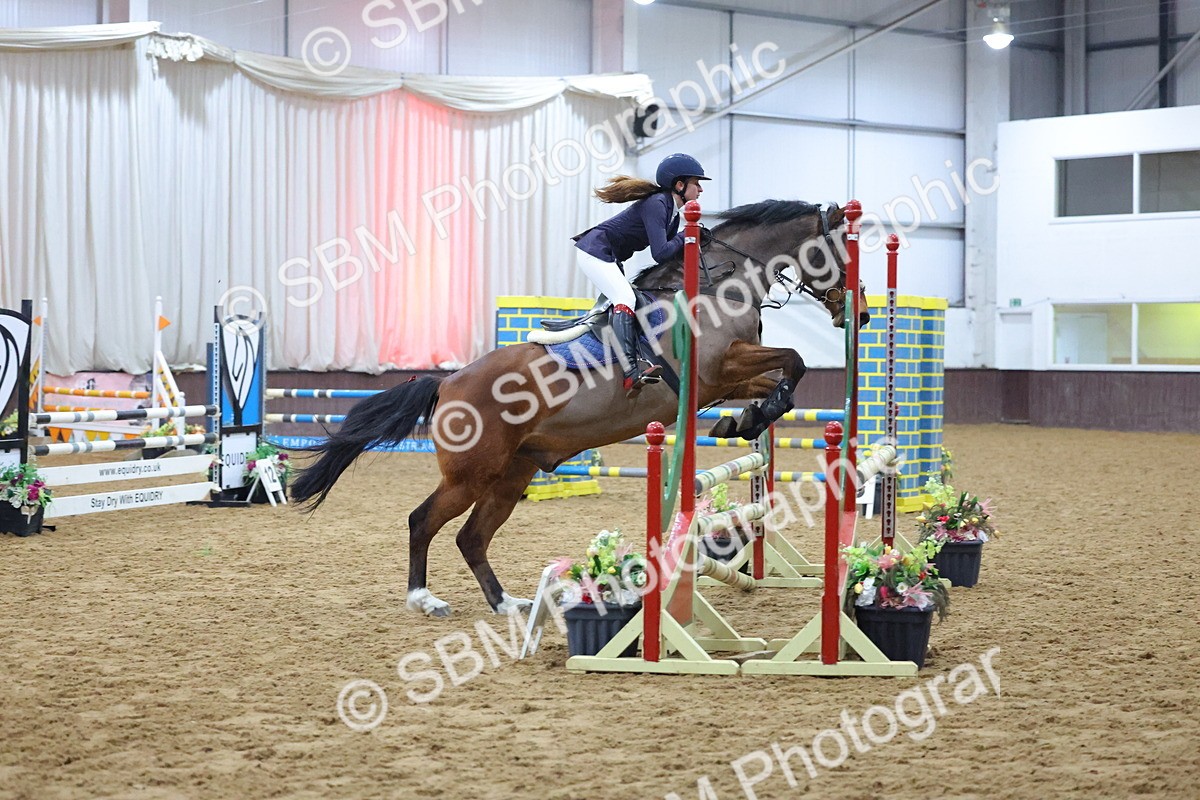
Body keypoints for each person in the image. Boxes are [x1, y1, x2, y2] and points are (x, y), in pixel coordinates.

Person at [573, 153, 709, 397]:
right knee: (626, 299)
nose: (700, 189)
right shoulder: (657, 204)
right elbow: (661, 253)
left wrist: (695, 240)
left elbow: (671, 253)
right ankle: (630, 373)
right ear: (679, 185)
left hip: (610, 256)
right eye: (696, 183)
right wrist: (689, 233)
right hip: (595, 251)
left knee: (631, 300)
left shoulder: (673, 213)